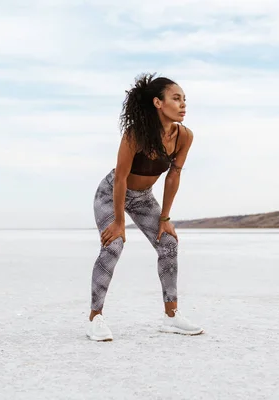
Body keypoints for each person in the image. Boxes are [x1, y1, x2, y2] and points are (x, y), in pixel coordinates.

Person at [86, 73, 203, 342]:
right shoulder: (135, 134)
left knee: (168, 242)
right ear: (158, 103)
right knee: (113, 245)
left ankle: (171, 317)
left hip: (143, 197)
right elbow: (121, 178)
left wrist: (165, 218)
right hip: (112, 193)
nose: (183, 104)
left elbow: (174, 175)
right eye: (176, 98)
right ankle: (95, 318)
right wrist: (117, 222)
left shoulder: (184, 136)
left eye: (185, 99)